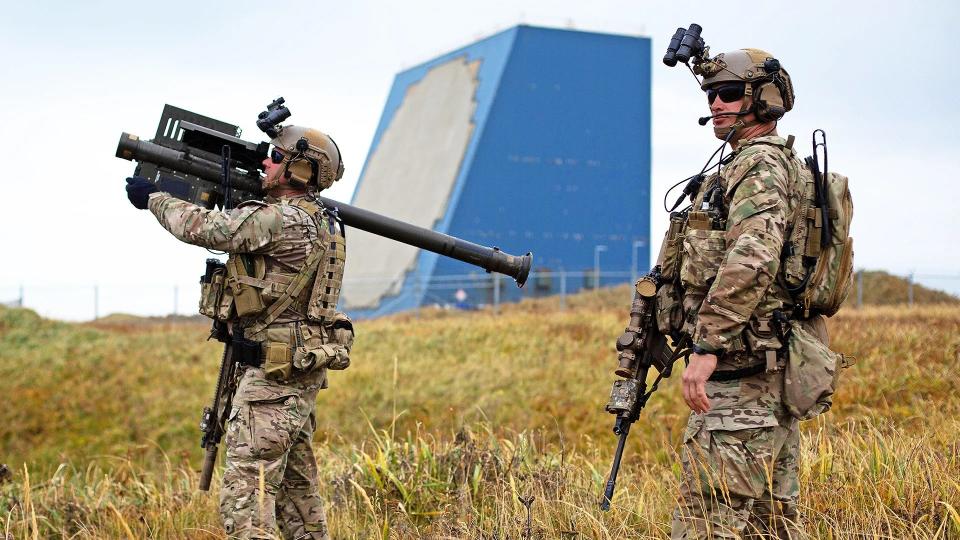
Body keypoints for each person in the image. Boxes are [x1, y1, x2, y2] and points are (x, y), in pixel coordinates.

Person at [125, 125, 352, 539]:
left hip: (270, 382)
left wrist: (154, 199)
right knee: (298, 502)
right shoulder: (322, 222)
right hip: (294, 377)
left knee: (247, 506)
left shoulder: (282, 220)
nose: (266, 161)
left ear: (300, 170)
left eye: (276, 157)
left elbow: (208, 229)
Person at [659, 48, 821, 538]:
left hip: (741, 379)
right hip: (764, 377)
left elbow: (752, 260)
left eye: (730, 94)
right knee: (764, 527)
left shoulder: (760, 166)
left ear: (765, 100)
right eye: (712, 95)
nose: (717, 104)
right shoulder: (754, 167)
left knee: (707, 521)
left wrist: (707, 347)